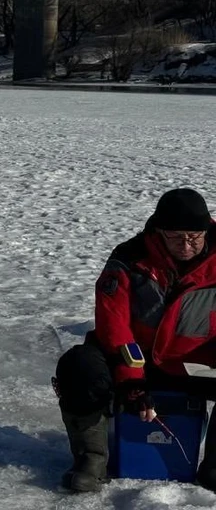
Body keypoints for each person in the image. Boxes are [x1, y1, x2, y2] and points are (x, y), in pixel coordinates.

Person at [54, 188, 216, 493]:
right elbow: (113, 325)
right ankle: (91, 460)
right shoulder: (129, 259)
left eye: (195, 236)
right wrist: (132, 381)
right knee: (79, 365)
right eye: (175, 236)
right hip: (132, 361)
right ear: (158, 231)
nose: (186, 245)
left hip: (193, 365)